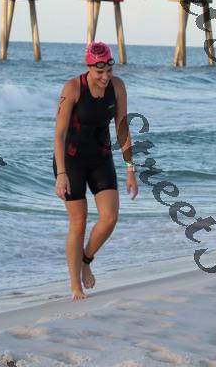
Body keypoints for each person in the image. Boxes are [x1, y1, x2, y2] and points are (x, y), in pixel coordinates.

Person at [53, 41, 139, 301]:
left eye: (109, 71)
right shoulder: (73, 88)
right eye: (99, 72)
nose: (105, 77)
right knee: (78, 222)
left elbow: (122, 127)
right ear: (89, 67)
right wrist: (61, 173)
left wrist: (130, 168)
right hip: (71, 162)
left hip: (101, 158)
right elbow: (59, 134)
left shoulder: (118, 87)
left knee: (110, 218)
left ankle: (86, 260)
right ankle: (75, 286)